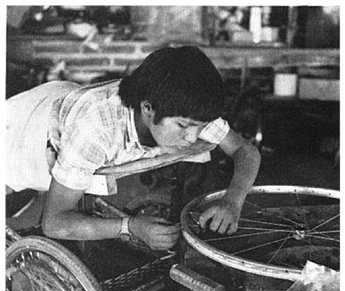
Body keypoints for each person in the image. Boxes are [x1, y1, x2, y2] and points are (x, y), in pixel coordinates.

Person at [6, 46, 261, 251]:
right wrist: (130, 227)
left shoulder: (186, 109)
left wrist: (233, 200)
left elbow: (245, 151)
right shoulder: (96, 129)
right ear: (148, 108)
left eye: (200, 126)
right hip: (19, 134)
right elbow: (54, 223)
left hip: (63, 100)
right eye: (184, 126)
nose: (193, 136)